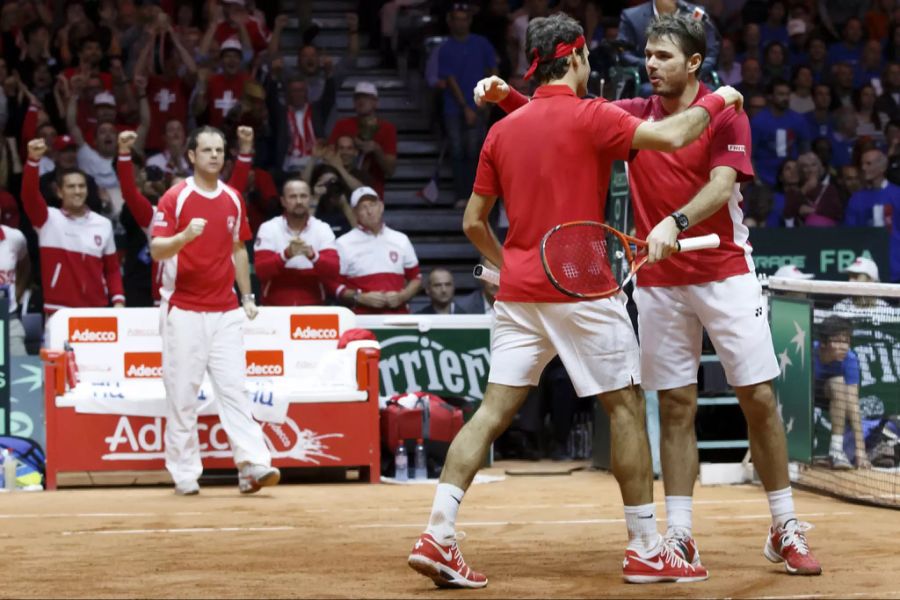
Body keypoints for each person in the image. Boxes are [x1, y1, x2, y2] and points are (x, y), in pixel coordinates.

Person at [476, 12, 820, 579]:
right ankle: (679, 535)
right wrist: (507, 95)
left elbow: (722, 186)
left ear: (692, 63)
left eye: (662, 57)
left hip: (725, 272)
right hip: (659, 282)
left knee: (757, 396)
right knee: (676, 406)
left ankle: (784, 525)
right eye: (647, 56)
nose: (649, 66)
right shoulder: (633, 115)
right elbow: (559, 120)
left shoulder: (727, 114)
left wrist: (676, 222)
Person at [418, 12, 745, 588]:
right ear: (573, 59)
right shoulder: (594, 115)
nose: (593, 67)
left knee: (492, 411)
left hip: (517, 292)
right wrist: (721, 98)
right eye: (589, 58)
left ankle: (438, 534)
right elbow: (674, 135)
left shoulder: (502, 130)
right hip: (583, 286)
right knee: (623, 408)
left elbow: (473, 222)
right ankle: (646, 546)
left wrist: (507, 263)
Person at [149, 125, 279, 496]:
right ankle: (185, 471)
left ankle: (251, 465)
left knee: (235, 390)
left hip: (226, 310)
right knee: (183, 394)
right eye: (206, 150)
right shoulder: (176, 197)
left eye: (220, 150)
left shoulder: (234, 198)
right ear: (191, 155)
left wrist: (248, 296)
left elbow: (239, 249)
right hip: (183, 309)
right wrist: (184, 237)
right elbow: (158, 249)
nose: (214, 156)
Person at [22, 139, 125, 314]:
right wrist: (33, 160)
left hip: (97, 310)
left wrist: (118, 301)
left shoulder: (103, 224)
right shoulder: (47, 219)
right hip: (58, 311)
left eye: (81, 186)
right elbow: (29, 195)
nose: (77, 191)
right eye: (71, 186)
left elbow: (112, 269)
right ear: (60, 192)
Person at [331, 186, 422, 315]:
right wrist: (359, 297)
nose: (369, 211)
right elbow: (334, 285)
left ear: (381, 206)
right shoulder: (342, 244)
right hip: (361, 319)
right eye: (363, 207)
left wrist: (402, 296)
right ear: (355, 212)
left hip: (398, 317)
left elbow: (416, 278)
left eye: (372, 205)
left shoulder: (401, 239)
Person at [254, 177, 340, 306]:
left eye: (303, 196)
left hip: (314, 307)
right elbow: (261, 270)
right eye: (293, 197)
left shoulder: (322, 228)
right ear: (283, 201)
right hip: (274, 308)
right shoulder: (269, 228)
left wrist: (313, 255)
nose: (299, 201)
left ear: (310, 199)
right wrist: (286, 255)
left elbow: (334, 270)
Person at [813, 316, 869, 470]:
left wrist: (861, 451)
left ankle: (836, 450)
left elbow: (853, 403)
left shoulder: (849, 359)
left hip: (831, 395)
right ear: (824, 343)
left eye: (846, 341)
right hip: (804, 394)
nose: (843, 346)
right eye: (837, 341)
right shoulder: (808, 353)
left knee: (838, 383)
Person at [327, 82, 397, 199]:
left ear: (375, 102)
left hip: (372, 191)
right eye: (357, 97)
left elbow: (390, 170)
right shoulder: (342, 125)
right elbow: (328, 157)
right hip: (342, 189)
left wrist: (376, 149)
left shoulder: (387, 128)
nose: (361, 101)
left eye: (366, 97)